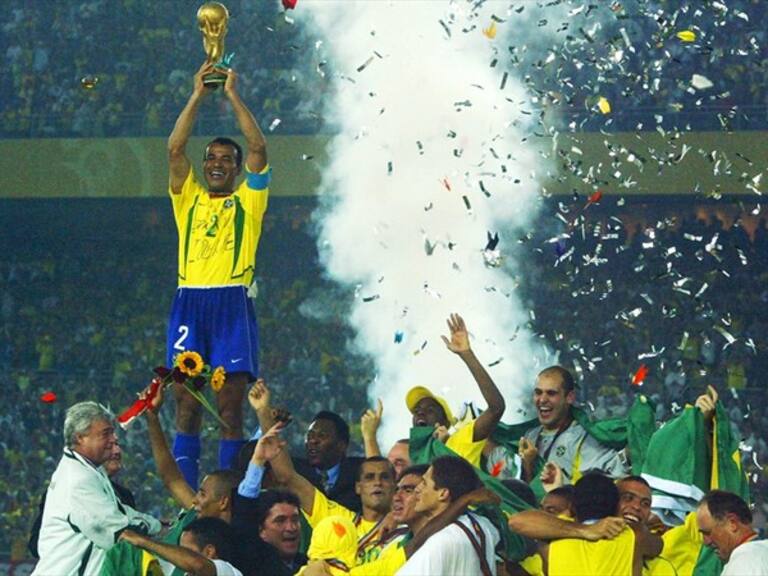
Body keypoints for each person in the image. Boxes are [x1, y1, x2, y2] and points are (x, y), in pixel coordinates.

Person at [166, 60, 270, 490]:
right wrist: (196, 94)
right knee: (186, 408)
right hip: (189, 299)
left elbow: (260, 149)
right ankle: (186, 501)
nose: (215, 164)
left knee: (230, 411)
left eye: (226, 159)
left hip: (231, 303)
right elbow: (175, 150)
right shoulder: (187, 198)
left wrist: (230, 94)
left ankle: (229, 495)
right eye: (211, 158)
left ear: (237, 168)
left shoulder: (249, 200)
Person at [33, 401, 161, 576]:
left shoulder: (90, 468)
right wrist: (160, 533)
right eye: (105, 433)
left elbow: (122, 511)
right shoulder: (78, 480)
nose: (113, 438)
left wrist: (158, 525)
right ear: (80, 437)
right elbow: (118, 531)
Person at [406, 313, 506, 468]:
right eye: (416, 410)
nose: (420, 412)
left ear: (445, 421)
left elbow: (496, 407)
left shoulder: (460, 439)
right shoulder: (407, 456)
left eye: (430, 409)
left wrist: (466, 354)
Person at [520, 366, 628, 484]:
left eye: (551, 393)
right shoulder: (530, 436)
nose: (542, 399)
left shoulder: (584, 438)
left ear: (569, 397)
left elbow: (618, 477)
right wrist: (528, 465)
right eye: (538, 392)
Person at [29, 439, 134, 558]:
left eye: (117, 445)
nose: (117, 451)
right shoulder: (65, 489)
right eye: (109, 447)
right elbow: (36, 544)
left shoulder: (124, 495)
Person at [542, 472, 662, 576]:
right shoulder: (635, 537)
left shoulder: (554, 539)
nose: (637, 507)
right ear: (614, 501)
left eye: (645, 504)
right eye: (628, 498)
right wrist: (587, 530)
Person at [398, 455, 500, 575]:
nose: (417, 489)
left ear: (443, 494)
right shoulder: (485, 525)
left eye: (424, 483)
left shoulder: (439, 542)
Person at [120, 517, 243, 576]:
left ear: (209, 551)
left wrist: (144, 542)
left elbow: (197, 564)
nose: (179, 558)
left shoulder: (228, 571)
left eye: (186, 551)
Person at [697, 490, 768, 575]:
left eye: (708, 532)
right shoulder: (761, 553)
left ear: (732, 523)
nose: (706, 542)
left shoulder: (744, 563)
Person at [253, 490, 306, 574]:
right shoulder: (251, 569)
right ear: (261, 530)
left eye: (295, 519)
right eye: (280, 521)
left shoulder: (313, 566)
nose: (291, 528)